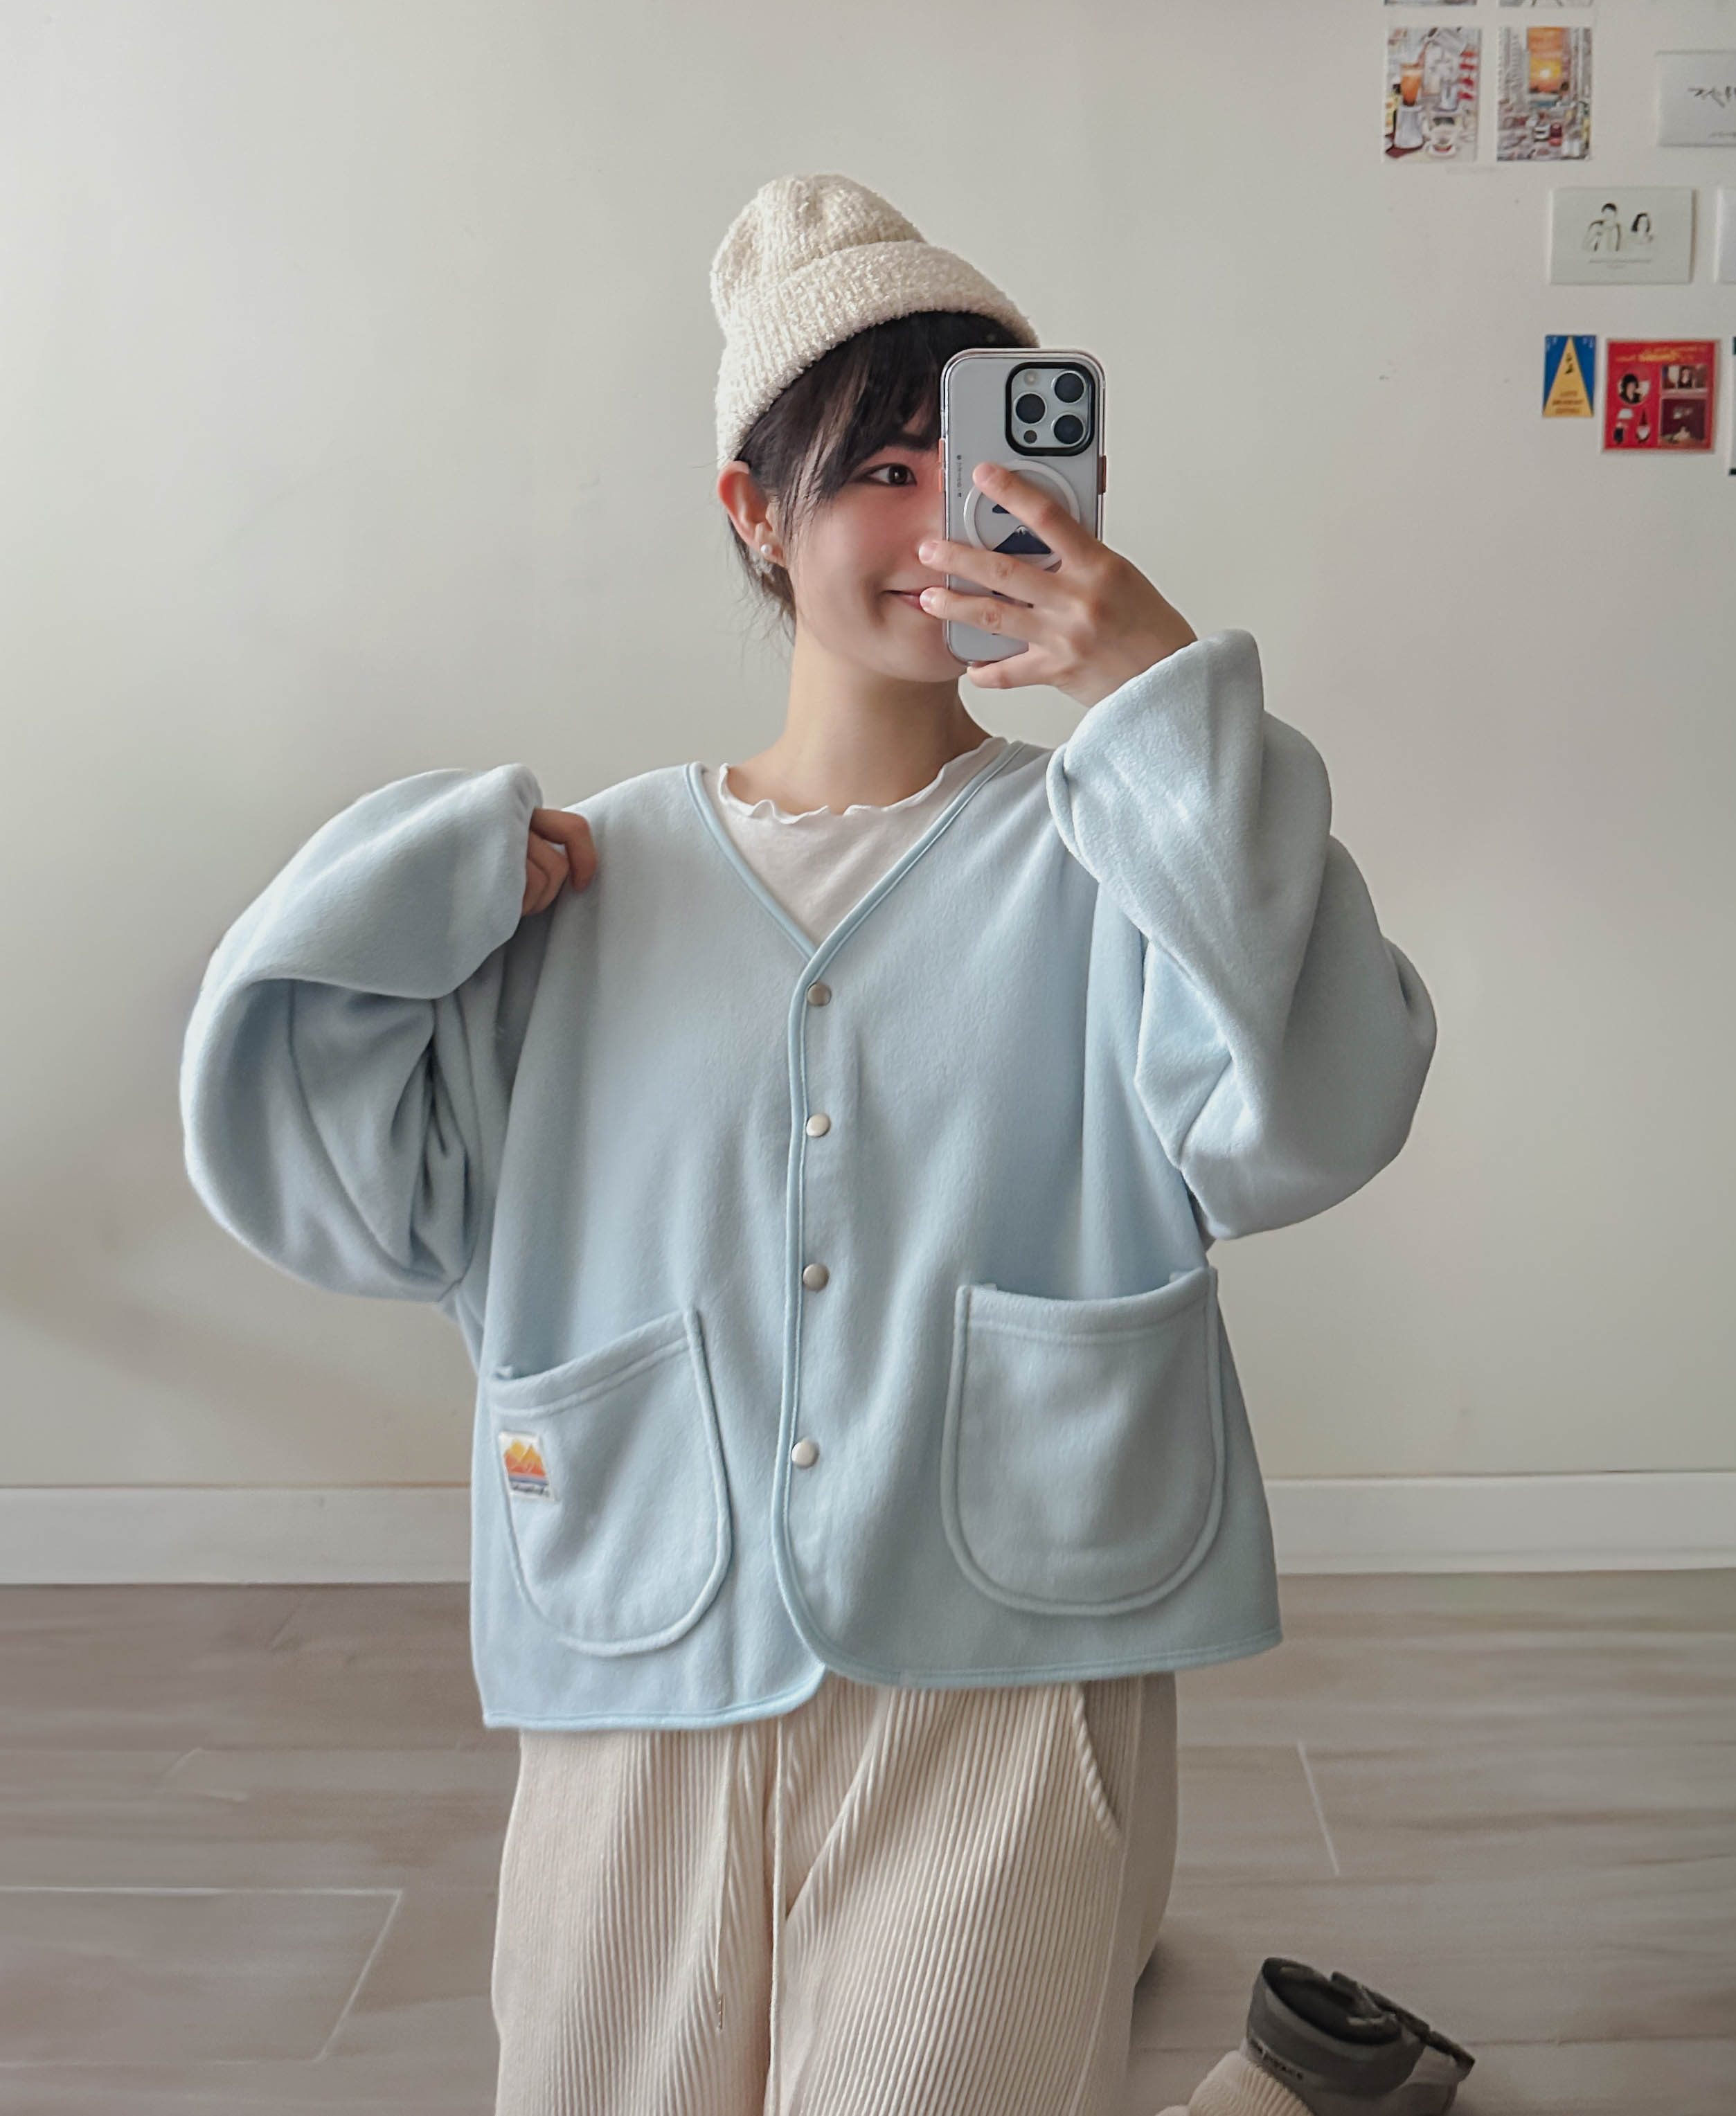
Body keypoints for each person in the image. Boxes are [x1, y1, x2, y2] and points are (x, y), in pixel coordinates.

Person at [179, 174, 1450, 2116]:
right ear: (753, 510)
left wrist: (1158, 706)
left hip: (1007, 1663)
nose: (945, 518)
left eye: (984, 458)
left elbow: (1319, 1107)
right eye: (877, 467)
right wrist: (412, 892)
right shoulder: (573, 885)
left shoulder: (1125, 853)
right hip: (644, 1639)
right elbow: (333, 1185)